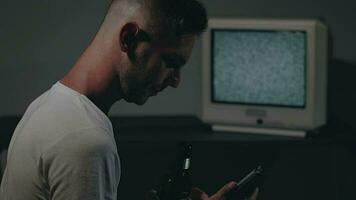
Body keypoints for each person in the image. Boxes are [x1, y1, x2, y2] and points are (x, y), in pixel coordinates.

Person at [0, 0, 258, 200]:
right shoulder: (85, 140)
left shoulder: (48, 105)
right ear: (129, 39)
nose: (176, 80)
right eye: (171, 63)